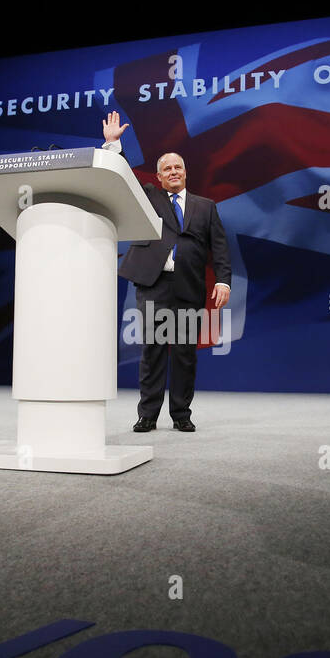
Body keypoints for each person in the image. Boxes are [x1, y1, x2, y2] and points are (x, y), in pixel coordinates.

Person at [102, 111, 231, 432]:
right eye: (167, 169)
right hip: (155, 285)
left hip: (188, 287)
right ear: (159, 177)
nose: (173, 172)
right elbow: (126, 180)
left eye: (178, 167)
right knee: (154, 352)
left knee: (185, 354)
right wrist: (113, 145)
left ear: (186, 173)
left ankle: (181, 415)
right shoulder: (150, 196)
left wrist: (225, 280)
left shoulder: (205, 206)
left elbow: (220, 246)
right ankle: (148, 414)